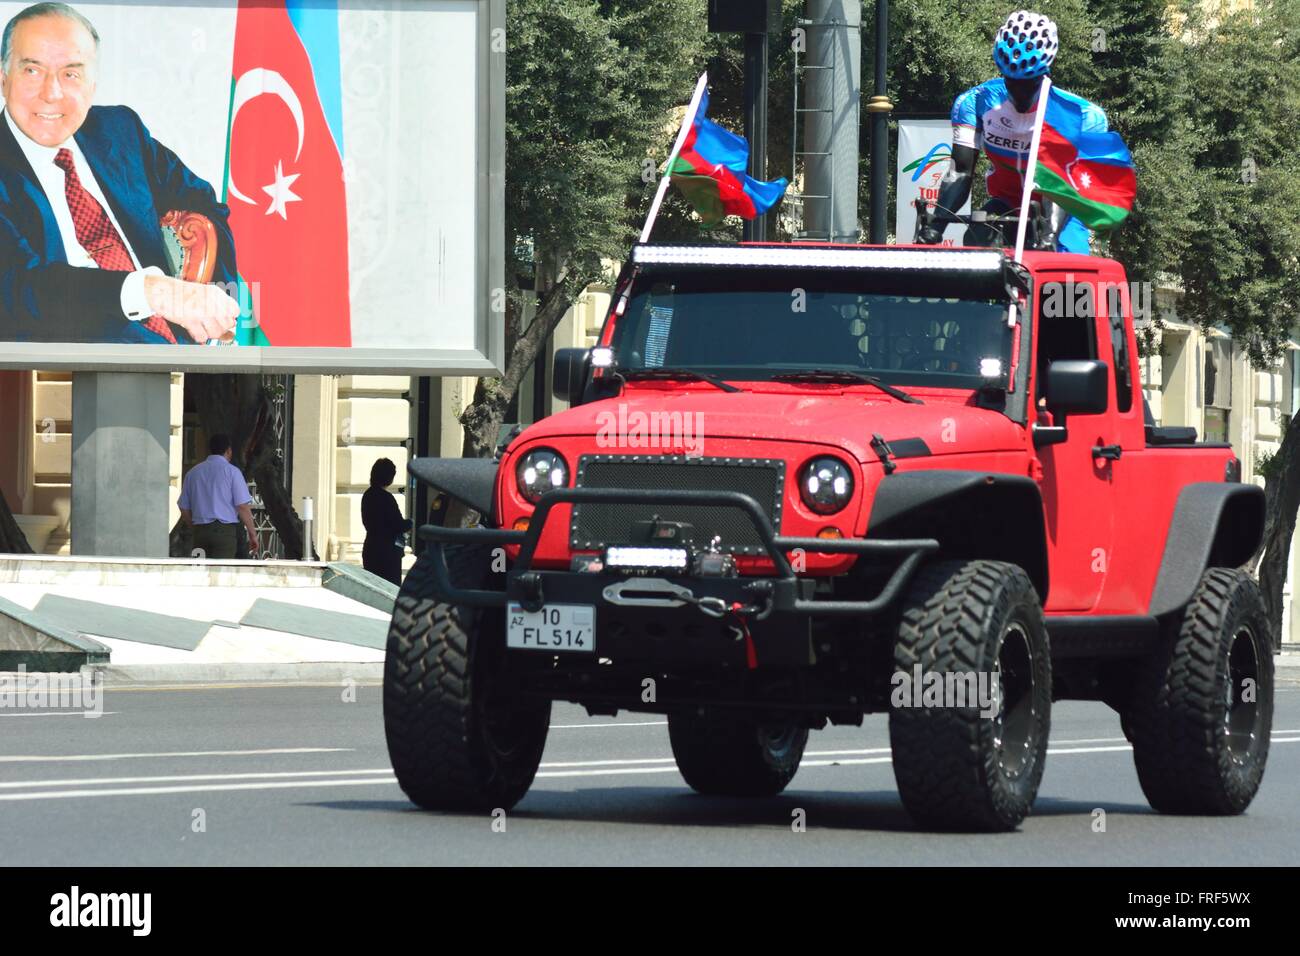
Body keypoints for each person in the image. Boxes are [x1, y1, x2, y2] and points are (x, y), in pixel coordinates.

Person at [0, 2, 240, 344]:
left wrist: (209, 308)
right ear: (3, 77)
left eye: (71, 73)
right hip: (70, 365)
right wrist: (150, 291)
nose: (51, 93)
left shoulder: (119, 131)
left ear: (92, 85)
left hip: (177, 348)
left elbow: (206, 206)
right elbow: (19, 287)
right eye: (32, 71)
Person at [916, 9, 1108, 254]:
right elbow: (961, 172)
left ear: (1046, 72)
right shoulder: (975, 103)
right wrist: (936, 225)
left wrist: (1049, 234)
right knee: (977, 239)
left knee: (1063, 267)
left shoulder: (1081, 116)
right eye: (1011, 82)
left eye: (1029, 84)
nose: (1020, 93)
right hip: (1006, 203)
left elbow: (1062, 184)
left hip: (1060, 205)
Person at [178, 434, 259, 560]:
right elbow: (242, 506)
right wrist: (252, 534)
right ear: (228, 450)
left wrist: (194, 526)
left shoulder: (193, 473)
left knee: (201, 572)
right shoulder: (232, 472)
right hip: (224, 532)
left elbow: (183, 506)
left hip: (200, 531)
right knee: (221, 573)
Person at [362, 458, 411, 586]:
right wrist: (410, 523)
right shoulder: (387, 498)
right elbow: (398, 524)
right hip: (388, 552)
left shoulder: (367, 495)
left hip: (371, 548)